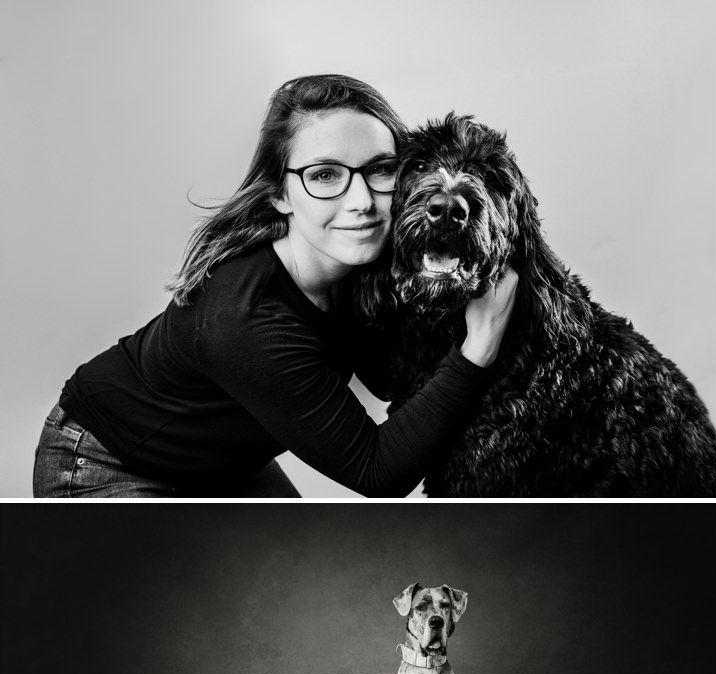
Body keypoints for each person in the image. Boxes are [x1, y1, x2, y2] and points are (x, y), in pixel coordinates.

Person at [34, 74, 516, 498]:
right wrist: (477, 349)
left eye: (381, 169)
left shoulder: (365, 261)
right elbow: (378, 473)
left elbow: (388, 376)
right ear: (279, 195)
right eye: (325, 175)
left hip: (220, 458)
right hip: (104, 458)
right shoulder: (244, 321)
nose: (362, 201)